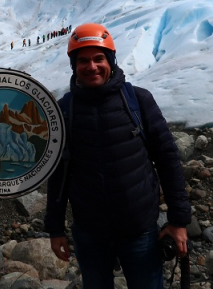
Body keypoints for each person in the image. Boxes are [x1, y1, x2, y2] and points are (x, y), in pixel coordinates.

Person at [44, 23, 191, 289]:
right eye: (83, 61)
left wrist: (179, 221)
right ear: (74, 66)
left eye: (99, 58)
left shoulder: (138, 101)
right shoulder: (65, 110)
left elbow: (168, 160)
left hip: (140, 230)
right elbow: (58, 171)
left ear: (110, 60)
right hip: (90, 233)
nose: (92, 67)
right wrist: (55, 229)